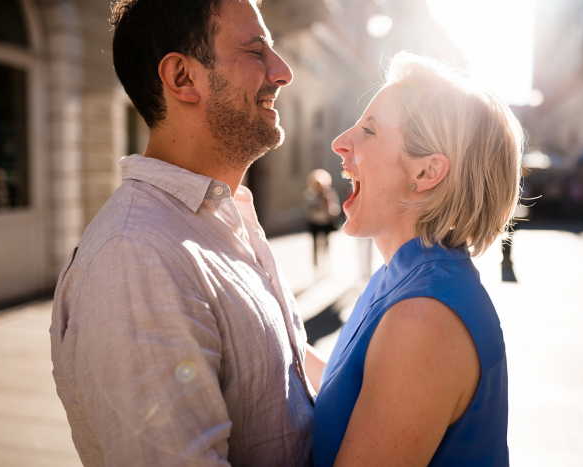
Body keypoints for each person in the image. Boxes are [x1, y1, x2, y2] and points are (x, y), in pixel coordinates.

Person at [49, 1, 325, 465]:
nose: (282, 72)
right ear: (181, 78)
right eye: (256, 50)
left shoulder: (222, 218)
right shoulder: (136, 256)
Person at [314, 52, 523, 466]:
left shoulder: (424, 317)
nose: (341, 141)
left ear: (427, 173)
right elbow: (350, 390)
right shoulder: (406, 275)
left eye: (369, 130)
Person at [303, 169, 341, 267]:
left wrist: (329, 211)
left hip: (325, 221)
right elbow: (308, 209)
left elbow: (334, 206)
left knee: (326, 242)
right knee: (315, 243)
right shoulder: (310, 194)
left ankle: (326, 262)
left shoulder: (328, 193)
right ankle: (316, 264)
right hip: (315, 221)